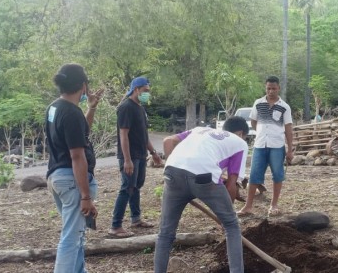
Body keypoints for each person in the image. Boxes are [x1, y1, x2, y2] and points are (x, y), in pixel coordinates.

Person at [154, 116, 249, 273]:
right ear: (240, 133)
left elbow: (168, 141)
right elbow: (232, 185)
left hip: (172, 172)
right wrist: (226, 214)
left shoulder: (199, 130)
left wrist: (176, 173)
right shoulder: (239, 143)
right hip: (204, 177)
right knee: (232, 226)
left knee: (165, 233)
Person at [45, 63, 103, 273]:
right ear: (84, 85)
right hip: (72, 181)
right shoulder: (71, 113)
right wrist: (85, 195)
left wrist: (91, 108)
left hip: (57, 178)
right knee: (71, 236)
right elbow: (77, 155)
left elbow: (80, 134)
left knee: (77, 233)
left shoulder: (54, 108)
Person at [109, 77, 162, 238]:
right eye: (145, 91)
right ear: (136, 89)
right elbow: (123, 134)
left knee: (136, 187)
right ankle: (115, 225)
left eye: (148, 91)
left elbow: (144, 135)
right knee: (127, 188)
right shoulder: (126, 107)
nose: (147, 94)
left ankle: (136, 219)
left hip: (141, 155)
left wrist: (154, 153)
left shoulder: (140, 108)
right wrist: (127, 159)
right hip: (130, 156)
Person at [238, 76, 293, 217]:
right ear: (265, 88)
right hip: (260, 145)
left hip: (277, 146)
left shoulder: (284, 106)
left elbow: (288, 129)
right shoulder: (258, 103)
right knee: (254, 175)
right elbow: (254, 122)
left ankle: (274, 205)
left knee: (278, 175)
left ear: (278, 88)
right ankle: (248, 206)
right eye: (268, 88)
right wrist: (263, 133)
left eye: (274, 88)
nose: (271, 91)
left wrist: (290, 150)